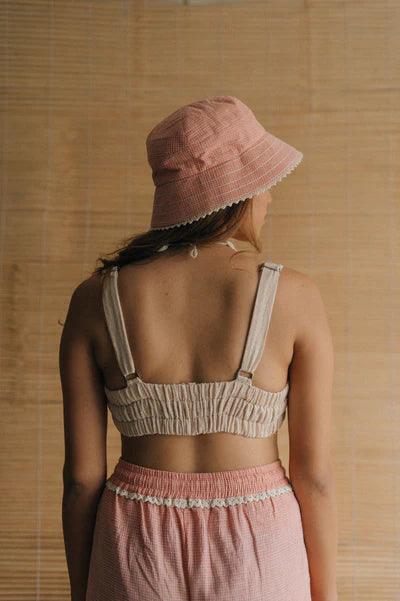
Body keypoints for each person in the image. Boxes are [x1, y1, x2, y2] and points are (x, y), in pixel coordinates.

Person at [60, 95, 337, 601]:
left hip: (133, 542)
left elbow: (81, 479)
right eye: (264, 183)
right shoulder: (294, 296)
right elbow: (313, 476)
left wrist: (84, 590)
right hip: (259, 544)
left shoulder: (95, 298)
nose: (269, 198)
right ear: (239, 192)